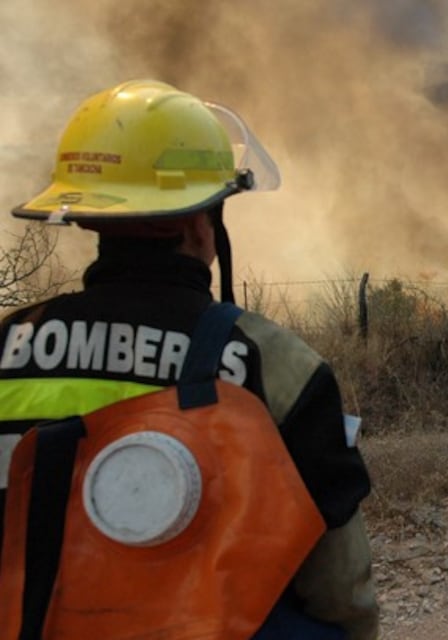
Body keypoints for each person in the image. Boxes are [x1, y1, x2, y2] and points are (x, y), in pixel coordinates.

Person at [0, 80, 379, 639]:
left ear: (87, 217)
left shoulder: (10, 343)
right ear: (202, 223)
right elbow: (338, 587)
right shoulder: (272, 362)